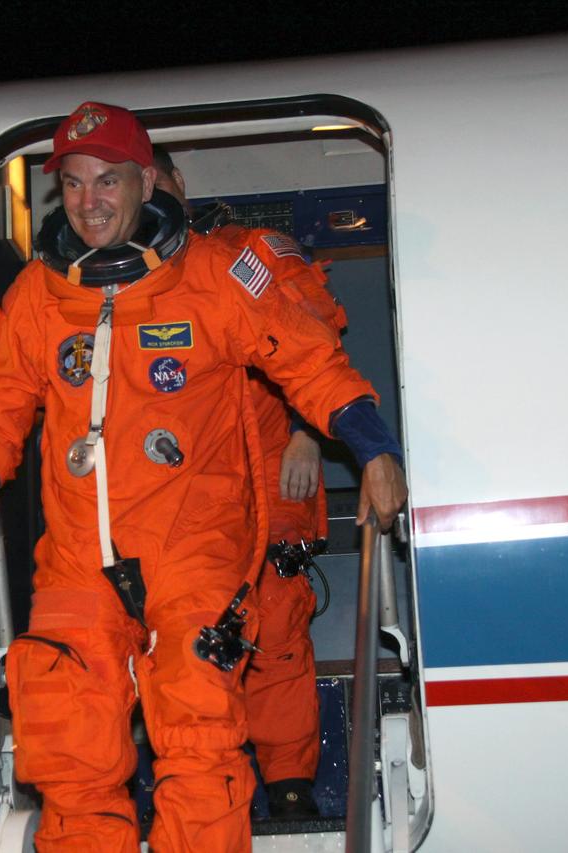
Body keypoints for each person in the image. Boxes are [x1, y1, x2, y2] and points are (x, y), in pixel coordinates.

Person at [0, 101, 406, 853]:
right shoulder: (37, 298)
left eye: (108, 181)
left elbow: (308, 357)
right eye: (76, 185)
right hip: (79, 563)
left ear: (145, 181)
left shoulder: (215, 275)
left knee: (200, 743)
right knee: (68, 750)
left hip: (194, 547)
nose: (90, 202)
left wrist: (371, 446)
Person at [152, 146, 342, 818]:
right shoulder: (121, 281)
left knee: (278, 630)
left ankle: (289, 784)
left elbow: (315, 335)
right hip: (180, 497)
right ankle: (212, 783)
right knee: (193, 644)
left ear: (174, 182)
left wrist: (306, 432)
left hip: (267, 469)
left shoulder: (247, 252)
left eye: (156, 175)